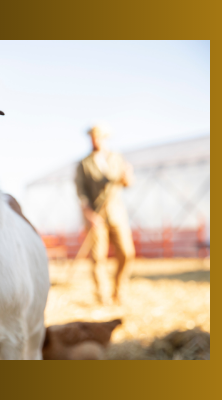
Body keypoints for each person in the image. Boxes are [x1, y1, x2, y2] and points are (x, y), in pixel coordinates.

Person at [74, 123, 136, 305]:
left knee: (126, 253)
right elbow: (81, 192)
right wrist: (89, 214)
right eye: (93, 136)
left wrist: (127, 177)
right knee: (98, 258)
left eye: (99, 136)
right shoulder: (84, 164)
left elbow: (128, 182)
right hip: (95, 216)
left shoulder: (117, 158)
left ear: (105, 138)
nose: (95, 139)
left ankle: (119, 291)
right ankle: (102, 296)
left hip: (116, 213)